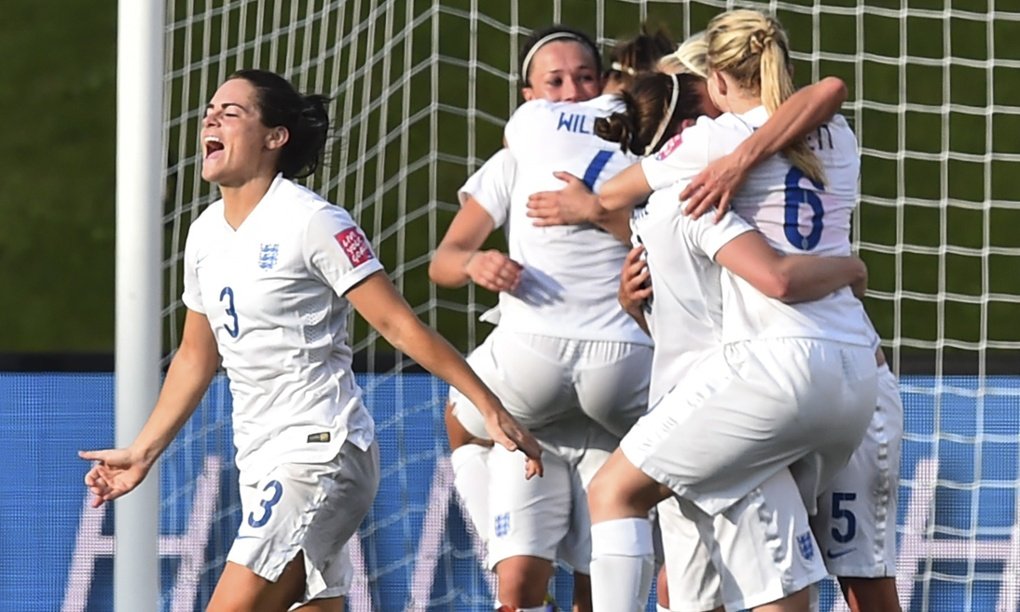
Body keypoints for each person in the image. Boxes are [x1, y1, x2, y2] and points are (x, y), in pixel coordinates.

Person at [78, 69, 542, 612]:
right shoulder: (204, 233)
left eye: (231, 112)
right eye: (210, 110)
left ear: (276, 137)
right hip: (260, 457)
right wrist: (142, 452)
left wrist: (487, 404)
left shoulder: (313, 221)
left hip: (321, 449)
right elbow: (195, 357)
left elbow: (397, 324)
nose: (211, 118)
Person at [575, 10, 879, 611]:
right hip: (856, 377)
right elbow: (828, 91)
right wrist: (853, 268)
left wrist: (577, 203)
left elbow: (608, 195)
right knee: (775, 579)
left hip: (771, 370)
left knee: (614, 491)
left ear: (713, 82)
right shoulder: (838, 132)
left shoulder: (711, 144)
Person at [431, 23, 688, 612]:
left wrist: (593, 213)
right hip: (616, 376)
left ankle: (496, 536)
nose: (571, 92)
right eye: (556, 82)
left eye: (585, 79)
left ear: (607, 87)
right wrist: (477, 263)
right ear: (529, 95)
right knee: (541, 582)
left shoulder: (631, 154)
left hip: (539, 372)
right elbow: (446, 260)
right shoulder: (641, 157)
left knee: (462, 417)